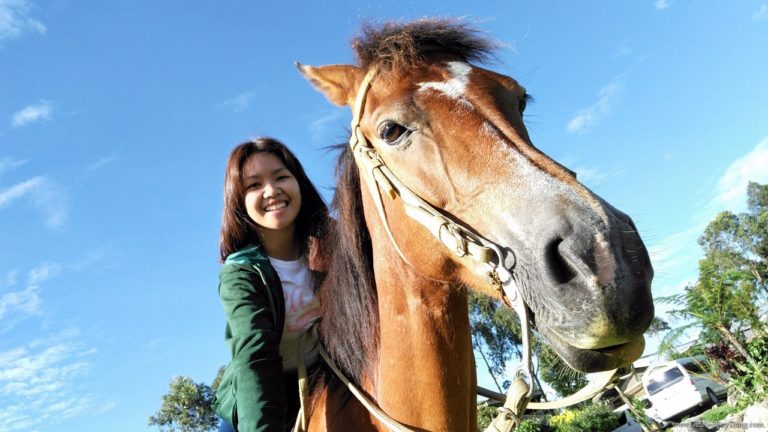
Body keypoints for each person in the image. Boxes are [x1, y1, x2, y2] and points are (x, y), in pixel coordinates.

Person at [213, 138, 329, 432]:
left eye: (281, 177)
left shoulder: (335, 246)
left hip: (329, 380)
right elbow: (255, 354)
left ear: (299, 183)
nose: (271, 190)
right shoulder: (241, 272)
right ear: (238, 201)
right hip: (262, 392)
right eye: (253, 185)